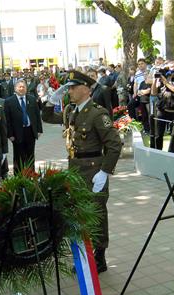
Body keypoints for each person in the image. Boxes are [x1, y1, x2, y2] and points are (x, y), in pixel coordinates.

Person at [42, 70, 122, 273]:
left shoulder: (97, 113)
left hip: (93, 171)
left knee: (96, 213)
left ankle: (99, 256)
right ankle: (85, 255)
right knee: (79, 213)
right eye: (68, 88)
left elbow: (114, 144)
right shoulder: (71, 110)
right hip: (75, 169)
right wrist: (51, 100)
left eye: (73, 87)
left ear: (86, 89)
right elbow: (48, 117)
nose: (69, 91)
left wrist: (105, 172)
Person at [4, 80, 43, 173]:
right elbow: (7, 120)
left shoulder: (32, 99)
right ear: (15, 88)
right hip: (17, 133)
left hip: (30, 131)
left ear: (26, 88)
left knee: (30, 155)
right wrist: (10, 134)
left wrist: (39, 130)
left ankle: (31, 176)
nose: (22, 89)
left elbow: (37, 115)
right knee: (18, 157)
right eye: (19, 87)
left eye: (23, 87)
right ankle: (19, 178)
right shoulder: (9, 101)